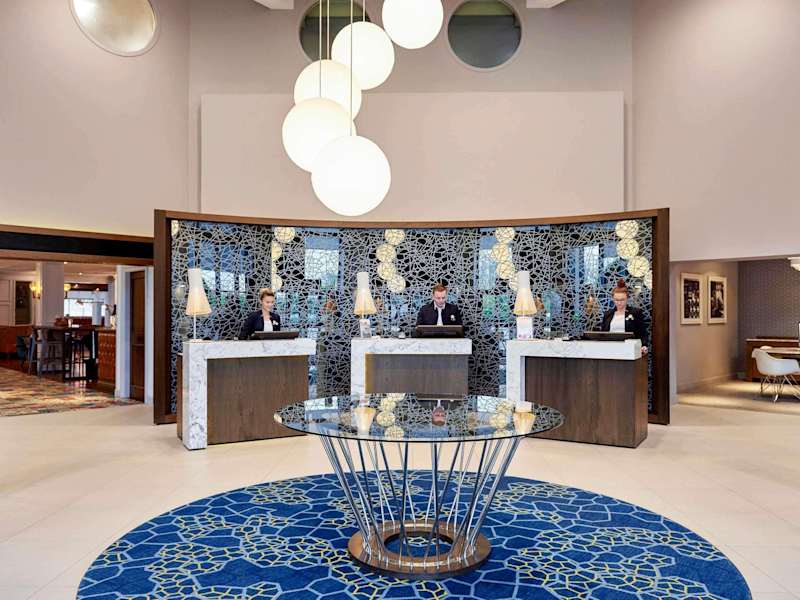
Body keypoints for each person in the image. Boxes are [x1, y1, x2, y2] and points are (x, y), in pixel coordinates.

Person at [599, 278, 648, 353]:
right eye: (616, 300)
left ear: (627, 299)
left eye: (622, 300)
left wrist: (643, 345)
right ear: (613, 299)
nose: (619, 303)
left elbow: (642, 332)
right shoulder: (608, 314)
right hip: (610, 348)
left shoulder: (635, 312)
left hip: (629, 349)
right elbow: (603, 334)